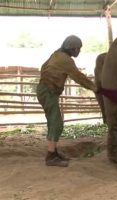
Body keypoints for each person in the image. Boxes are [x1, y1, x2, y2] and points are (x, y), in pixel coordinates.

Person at [36, 35, 97, 167]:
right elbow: (79, 77)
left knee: (53, 121)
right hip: (48, 91)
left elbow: (43, 67)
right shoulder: (65, 60)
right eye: (78, 49)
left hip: (45, 90)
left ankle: (54, 152)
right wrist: (95, 88)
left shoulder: (56, 54)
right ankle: (51, 156)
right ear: (72, 48)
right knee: (56, 123)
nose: (79, 51)